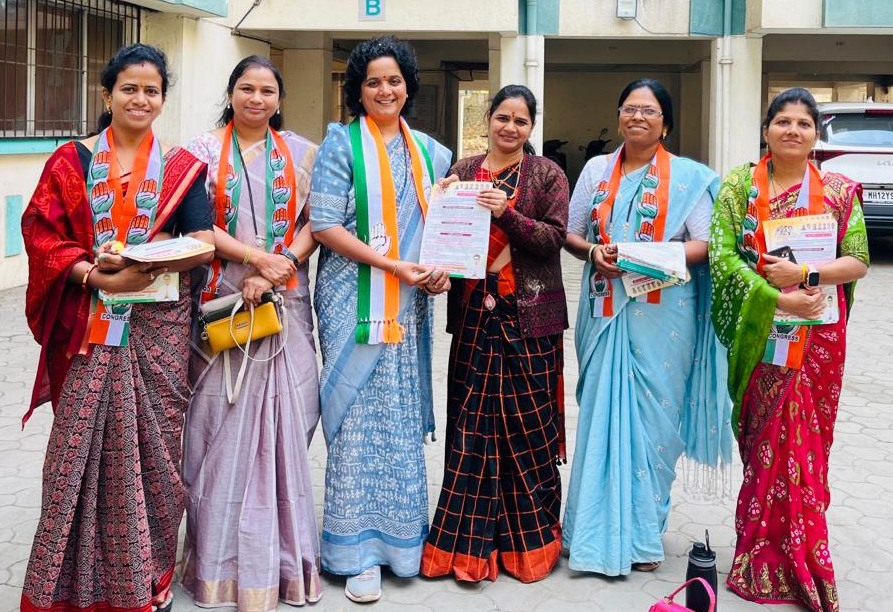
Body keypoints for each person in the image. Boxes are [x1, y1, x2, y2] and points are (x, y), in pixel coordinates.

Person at [19, 43, 214, 612]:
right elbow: (42, 236)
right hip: (91, 323)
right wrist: (95, 276)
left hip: (158, 330)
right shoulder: (71, 162)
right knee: (74, 457)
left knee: (155, 459)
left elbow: (203, 244)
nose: (140, 99)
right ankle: (68, 587)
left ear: (163, 100)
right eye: (129, 88)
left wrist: (150, 260)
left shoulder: (181, 168)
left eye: (152, 90)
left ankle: (149, 579)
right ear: (107, 95)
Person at [562, 78, 731, 576]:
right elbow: (572, 233)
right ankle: (588, 531)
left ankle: (642, 535)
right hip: (605, 307)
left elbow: (706, 243)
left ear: (666, 124)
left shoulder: (689, 178)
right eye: (630, 108)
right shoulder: (596, 170)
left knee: (656, 424)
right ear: (619, 116)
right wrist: (594, 252)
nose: (638, 116)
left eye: (649, 110)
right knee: (601, 413)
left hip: (664, 315)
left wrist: (649, 257)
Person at [711, 87, 868, 612]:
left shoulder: (839, 192)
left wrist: (805, 274)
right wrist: (777, 297)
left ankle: (804, 558)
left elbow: (858, 260)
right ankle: (758, 555)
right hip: (764, 332)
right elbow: (723, 259)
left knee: (807, 446)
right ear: (766, 131)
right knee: (765, 443)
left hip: (819, 337)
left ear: (815, 134)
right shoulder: (740, 187)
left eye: (804, 123)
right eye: (783, 121)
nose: (793, 131)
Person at [308, 35, 452, 603]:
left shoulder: (433, 155)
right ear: (358, 89)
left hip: (409, 303)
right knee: (356, 418)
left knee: (398, 415)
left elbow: (441, 231)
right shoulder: (339, 144)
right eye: (373, 82)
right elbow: (324, 225)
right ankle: (356, 554)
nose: (385, 90)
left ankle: (403, 545)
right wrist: (392, 265)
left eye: (394, 80)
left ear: (408, 87)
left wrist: (439, 271)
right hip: (352, 300)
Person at [180, 56, 322, 610]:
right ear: (231, 93)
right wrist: (254, 259)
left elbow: (318, 222)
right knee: (215, 430)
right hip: (221, 305)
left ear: (279, 99)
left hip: (285, 303)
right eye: (246, 88)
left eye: (266, 90)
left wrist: (280, 265)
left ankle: (282, 563)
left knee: (290, 422)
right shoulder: (199, 152)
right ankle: (217, 565)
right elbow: (196, 226)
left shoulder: (303, 154)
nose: (256, 99)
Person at [420, 84, 569, 583]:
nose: (510, 127)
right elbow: (443, 238)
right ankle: (462, 547)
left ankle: (529, 547)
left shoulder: (547, 174)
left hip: (530, 322)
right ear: (488, 118)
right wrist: (439, 243)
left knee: (529, 432)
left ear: (531, 127)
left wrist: (508, 213)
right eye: (503, 117)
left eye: (521, 120)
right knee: (471, 432)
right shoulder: (462, 172)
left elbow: (553, 239)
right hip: (474, 318)